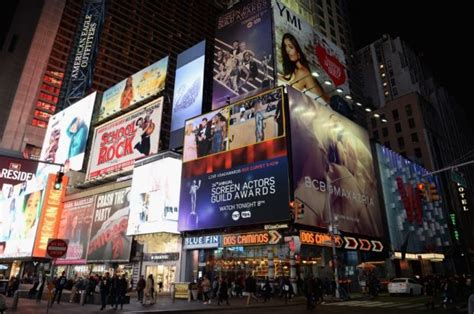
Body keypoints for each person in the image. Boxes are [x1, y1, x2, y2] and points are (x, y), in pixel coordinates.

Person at [280, 33, 327, 100]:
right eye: (285, 47)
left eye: (291, 47)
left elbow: (290, 91)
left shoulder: (303, 72)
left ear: (298, 52)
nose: (287, 50)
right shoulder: (296, 72)